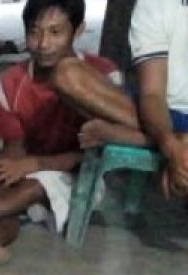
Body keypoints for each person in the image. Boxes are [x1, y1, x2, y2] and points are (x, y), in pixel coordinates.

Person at [0, 0, 121, 264]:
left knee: (36, 185)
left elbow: (102, 151)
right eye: (34, 32)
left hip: (82, 175)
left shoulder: (103, 75)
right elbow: (15, 150)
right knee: (4, 190)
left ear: (78, 31)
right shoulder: (11, 82)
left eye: (56, 32)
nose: (43, 44)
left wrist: (32, 163)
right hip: (27, 168)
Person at [42, 0, 188, 199]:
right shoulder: (155, 5)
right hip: (155, 111)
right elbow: (152, 94)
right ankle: (172, 140)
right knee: (67, 74)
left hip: (149, 122)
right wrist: (170, 146)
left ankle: (141, 138)